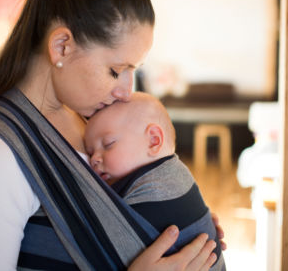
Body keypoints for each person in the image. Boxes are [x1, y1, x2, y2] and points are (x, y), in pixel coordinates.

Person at [0, 0, 224, 271]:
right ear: (62, 46)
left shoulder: (89, 119)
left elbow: (107, 217)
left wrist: (172, 224)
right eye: (116, 70)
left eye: (134, 70)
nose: (126, 90)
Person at [84, 92, 225, 269]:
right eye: (89, 152)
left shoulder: (154, 187)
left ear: (153, 140)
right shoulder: (173, 171)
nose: (94, 159)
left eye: (108, 144)